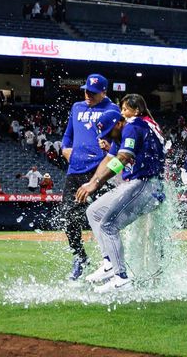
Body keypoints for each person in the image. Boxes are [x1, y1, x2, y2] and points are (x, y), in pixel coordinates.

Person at [76, 94, 168, 292]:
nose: (110, 137)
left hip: (147, 185)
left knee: (108, 225)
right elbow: (111, 159)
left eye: (110, 132)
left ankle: (121, 278)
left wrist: (96, 184)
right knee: (93, 212)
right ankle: (109, 263)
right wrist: (91, 182)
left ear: (119, 122)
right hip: (141, 183)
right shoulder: (135, 125)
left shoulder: (133, 126)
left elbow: (123, 159)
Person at [59, 73, 122, 280]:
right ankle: (80, 257)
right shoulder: (77, 107)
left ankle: (112, 262)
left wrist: (110, 148)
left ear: (104, 92)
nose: (88, 95)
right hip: (75, 170)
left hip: (99, 172)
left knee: (105, 218)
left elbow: (120, 139)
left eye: (93, 93)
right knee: (68, 216)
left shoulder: (112, 110)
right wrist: (64, 148)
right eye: (86, 91)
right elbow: (68, 135)